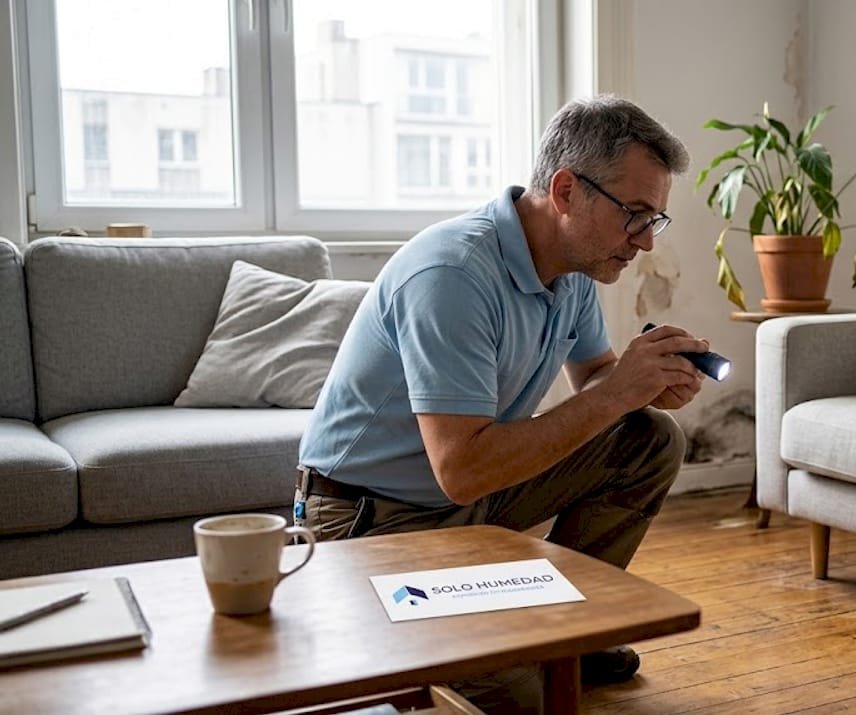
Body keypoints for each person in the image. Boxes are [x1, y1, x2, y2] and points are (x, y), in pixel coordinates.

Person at [295, 95, 703, 699]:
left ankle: (569, 631)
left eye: (655, 219)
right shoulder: (453, 275)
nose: (645, 242)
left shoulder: (573, 269)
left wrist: (641, 388)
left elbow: (596, 378)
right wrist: (615, 393)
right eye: (634, 215)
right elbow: (462, 470)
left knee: (648, 439)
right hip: (369, 519)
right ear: (567, 191)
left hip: (467, 500)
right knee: (517, 699)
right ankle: (496, 648)